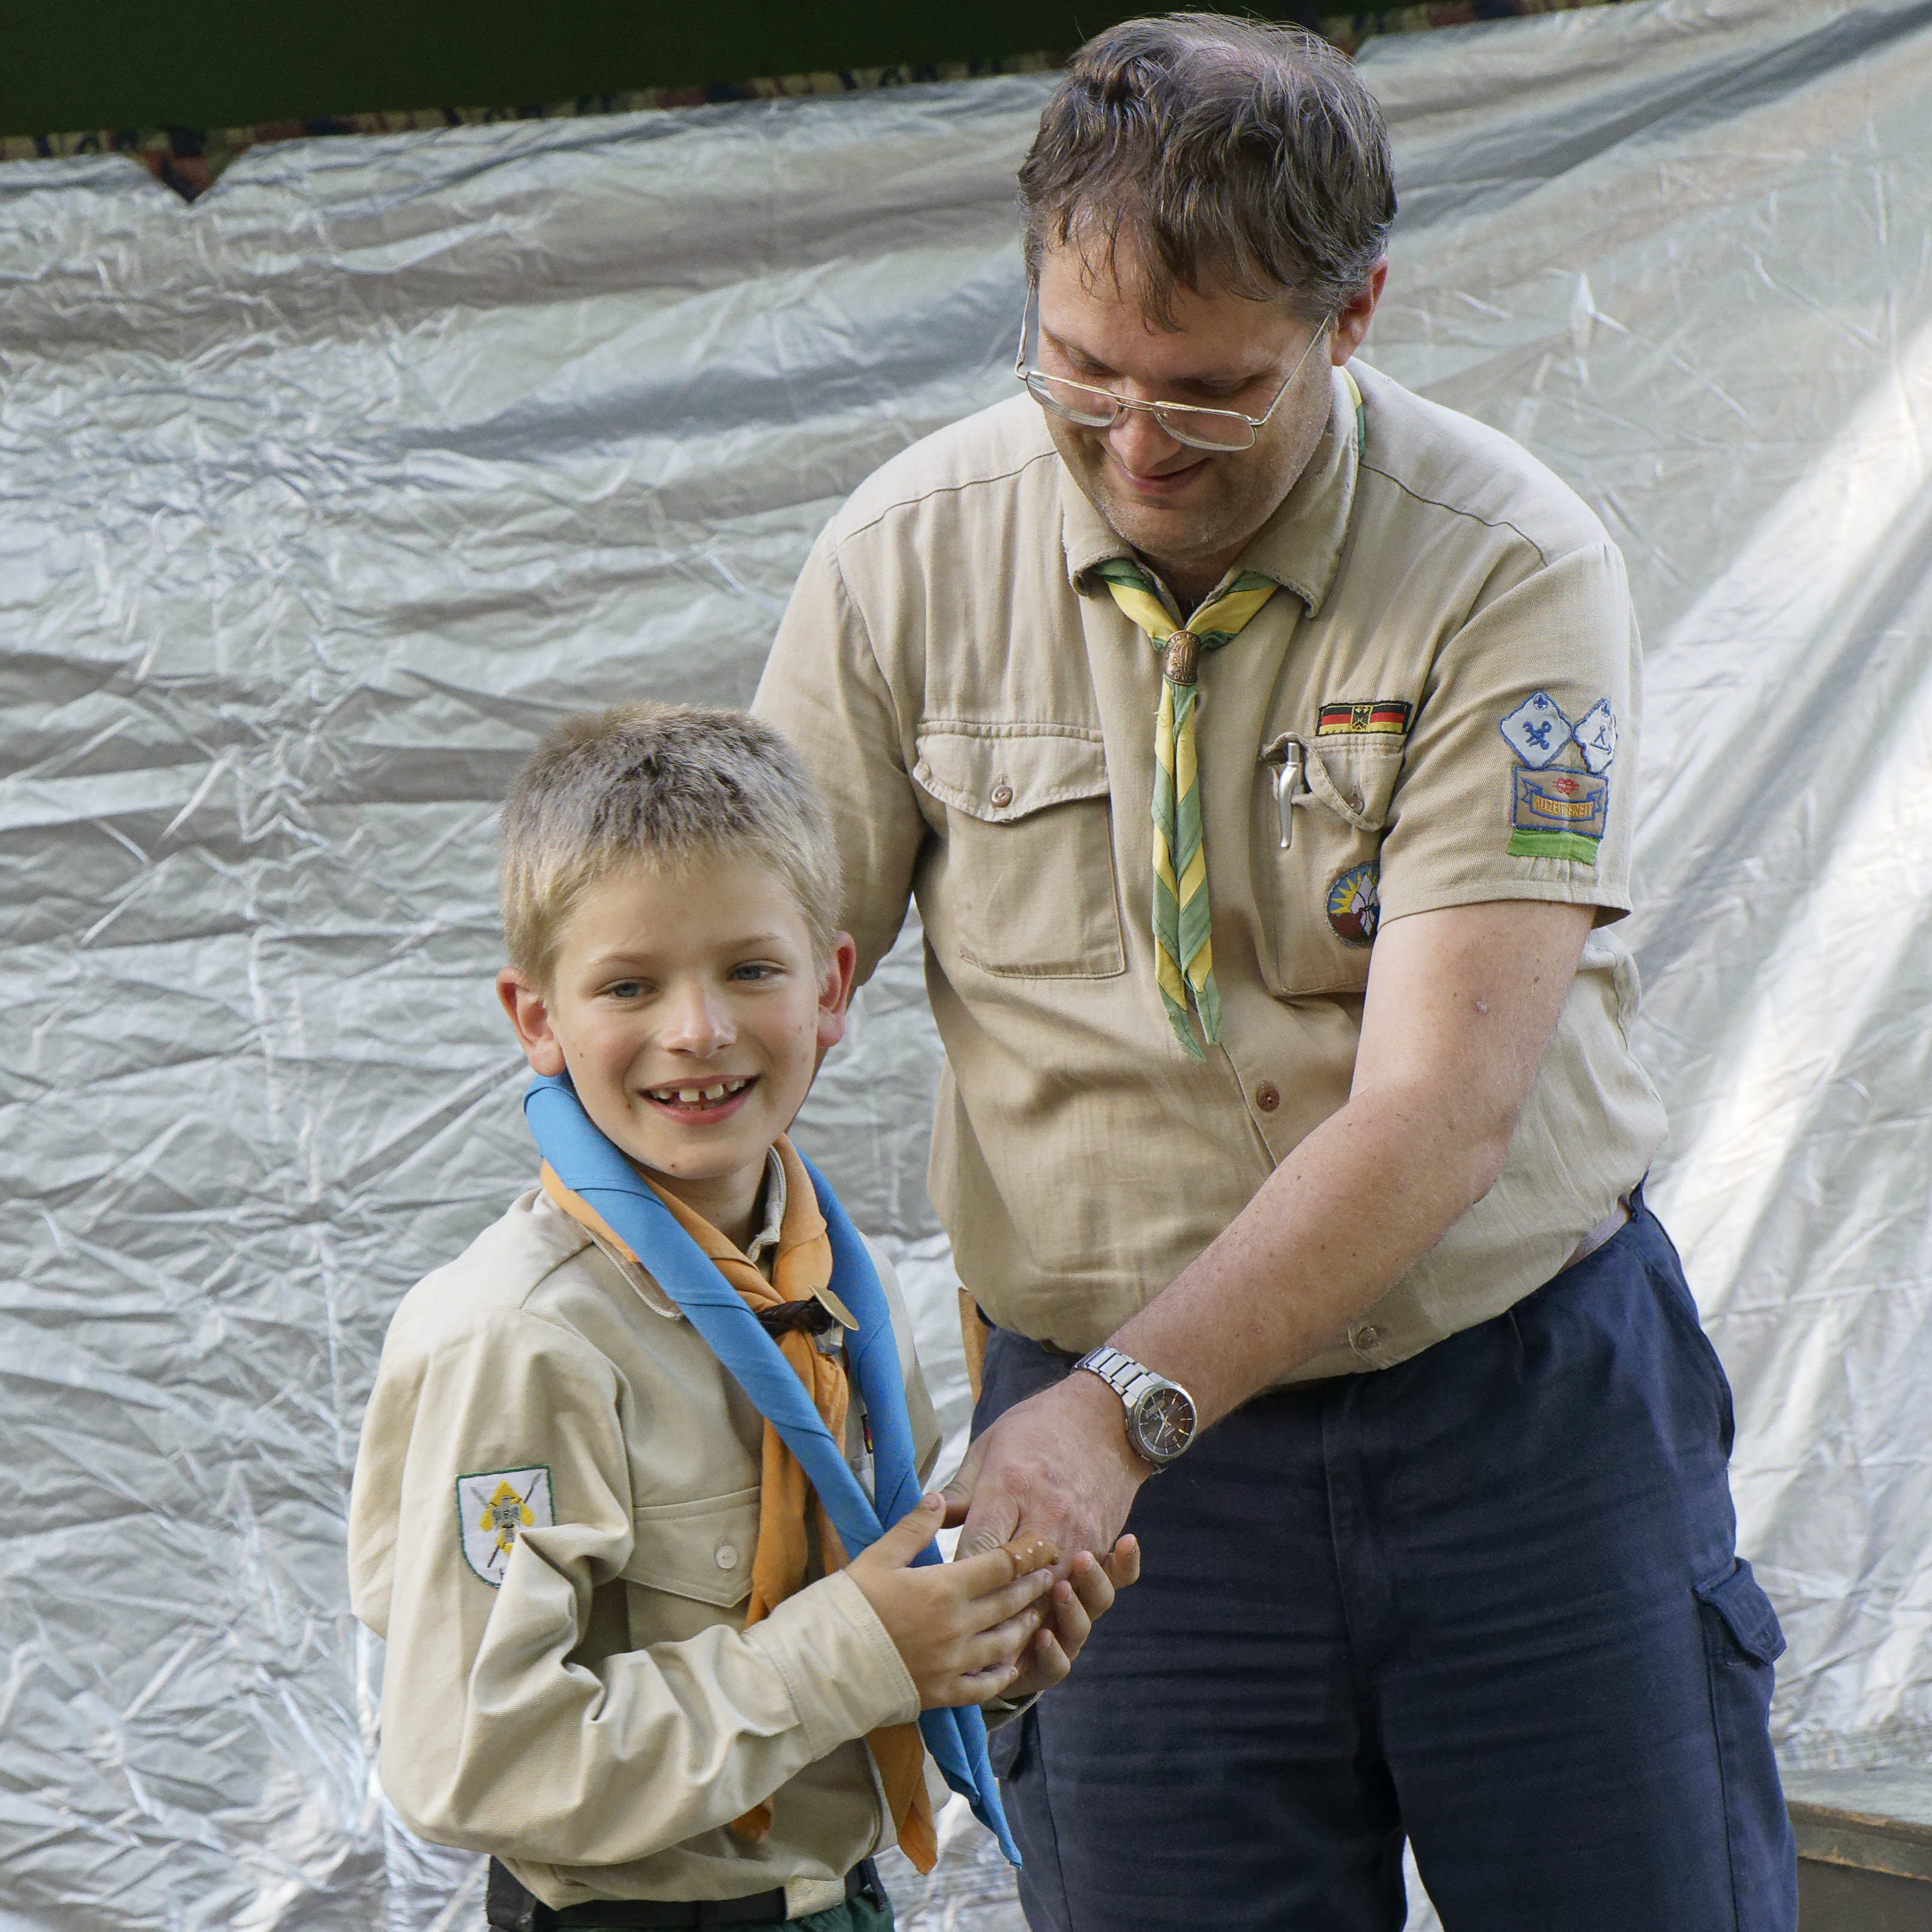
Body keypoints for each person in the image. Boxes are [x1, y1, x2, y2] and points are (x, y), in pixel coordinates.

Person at [752, 16, 1796, 1931]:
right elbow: (748, 989)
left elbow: (1439, 1107)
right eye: (1080, 375)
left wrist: (1111, 1415)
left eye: (1213, 393)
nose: (1137, 447)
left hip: (1519, 1421)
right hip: (1122, 1503)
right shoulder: (898, 562)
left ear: (1356, 311)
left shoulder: (1504, 569)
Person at [346, 702, 1138, 1932]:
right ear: (537, 1018)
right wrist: (860, 1648)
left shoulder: (827, 1281)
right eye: (628, 983)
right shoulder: (518, 1337)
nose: (697, 1030)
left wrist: (977, 1653)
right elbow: (469, 1760)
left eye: (748, 969)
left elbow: (843, 1665)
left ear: (829, 986)